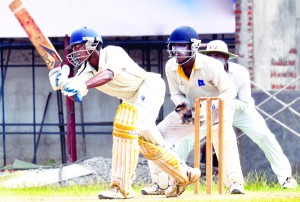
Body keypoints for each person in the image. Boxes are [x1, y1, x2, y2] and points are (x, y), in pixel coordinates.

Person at [48, 27, 200, 199]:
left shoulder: (112, 52)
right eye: (73, 49)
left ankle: (121, 187)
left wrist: (82, 85)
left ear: (92, 43)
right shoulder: (86, 70)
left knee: (129, 127)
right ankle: (184, 173)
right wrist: (65, 85)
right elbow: (77, 96)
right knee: (142, 139)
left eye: (77, 47)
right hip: (131, 99)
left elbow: (107, 75)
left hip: (148, 86)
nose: (74, 51)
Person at [141, 26, 245, 195]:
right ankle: (161, 184)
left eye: (181, 45)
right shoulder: (171, 66)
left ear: (194, 46)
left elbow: (229, 91)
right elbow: (176, 94)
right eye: (174, 46)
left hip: (218, 109)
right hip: (192, 111)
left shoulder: (210, 65)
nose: (176, 50)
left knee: (224, 141)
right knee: (156, 136)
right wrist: (185, 109)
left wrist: (212, 106)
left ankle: (234, 184)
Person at [198, 40, 298, 188]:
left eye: (218, 55)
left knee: (265, 137)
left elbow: (245, 103)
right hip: (212, 112)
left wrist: (229, 103)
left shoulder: (239, 72)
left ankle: (286, 179)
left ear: (226, 58)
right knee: (187, 138)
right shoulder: (201, 73)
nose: (215, 59)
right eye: (211, 55)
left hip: (239, 109)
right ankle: (173, 179)